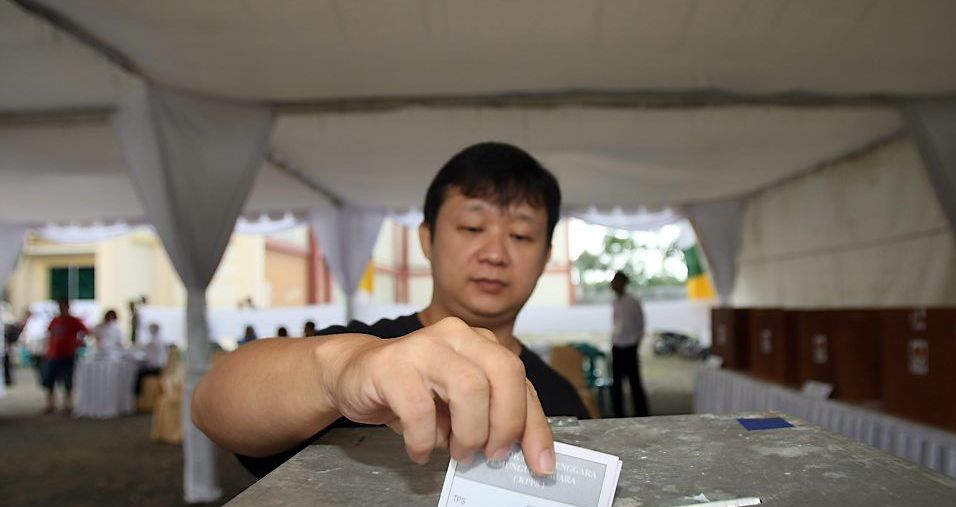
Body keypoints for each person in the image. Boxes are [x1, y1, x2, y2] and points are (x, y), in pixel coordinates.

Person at [194, 142, 587, 479]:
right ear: (427, 239)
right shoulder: (364, 352)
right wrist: (342, 371)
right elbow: (211, 403)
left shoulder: (562, 400)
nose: (495, 254)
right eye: (471, 227)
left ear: (545, 258)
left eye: (520, 235)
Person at [609, 271, 649, 418]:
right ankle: (618, 412)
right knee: (617, 383)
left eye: (616, 282)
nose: (613, 285)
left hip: (630, 345)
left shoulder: (633, 301)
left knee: (634, 382)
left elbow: (641, 323)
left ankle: (641, 412)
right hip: (617, 345)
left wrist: (636, 341)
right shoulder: (615, 302)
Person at [42, 300, 88, 413]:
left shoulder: (74, 321)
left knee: (68, 380)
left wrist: (77, 343)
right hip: (53, 354)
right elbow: (49, 334)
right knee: (49, 380)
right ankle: (51, 404)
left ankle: (68, 404)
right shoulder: (55, 321)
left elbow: (85, 331)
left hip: (68, 354)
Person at [135, 323, 169, 395]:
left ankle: (138, 394)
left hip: (156, 368)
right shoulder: (160, 340)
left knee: (139, 373)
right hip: (160, 367)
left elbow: (146, 353)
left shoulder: (154, 341)